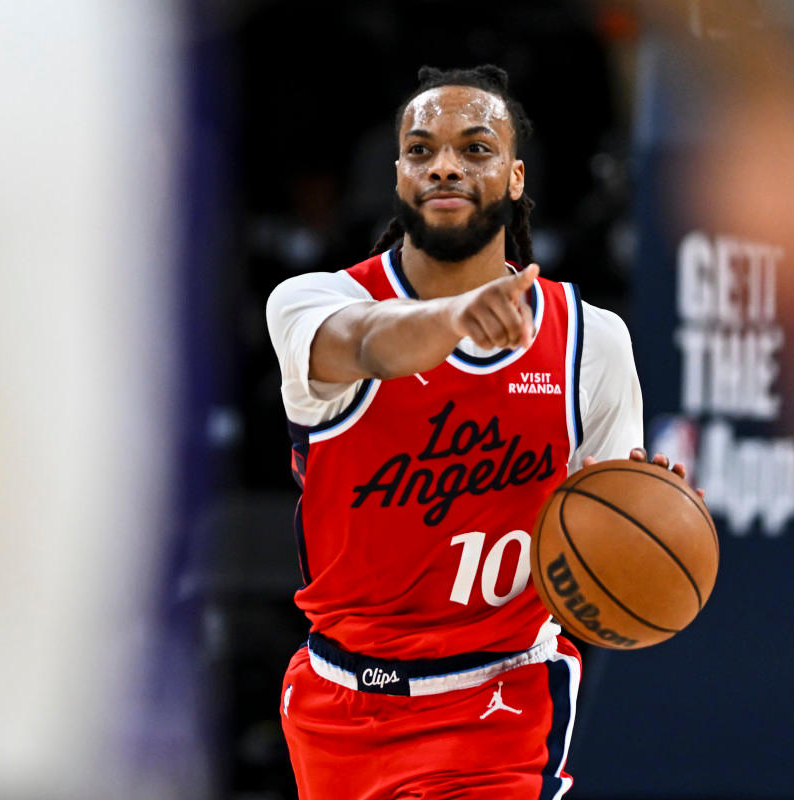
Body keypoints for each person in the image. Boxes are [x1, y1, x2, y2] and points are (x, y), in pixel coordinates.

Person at [265, 64, 689, 799]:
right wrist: (452, 320)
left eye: (475, 147)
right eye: (421, 150)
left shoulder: (592, 342)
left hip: (504, 701)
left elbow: (602, 537)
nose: (446, 165)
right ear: (399, 176)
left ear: (517, 176)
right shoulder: (313, 302)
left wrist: (646, 524)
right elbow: (364, 342)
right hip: (340, 704)